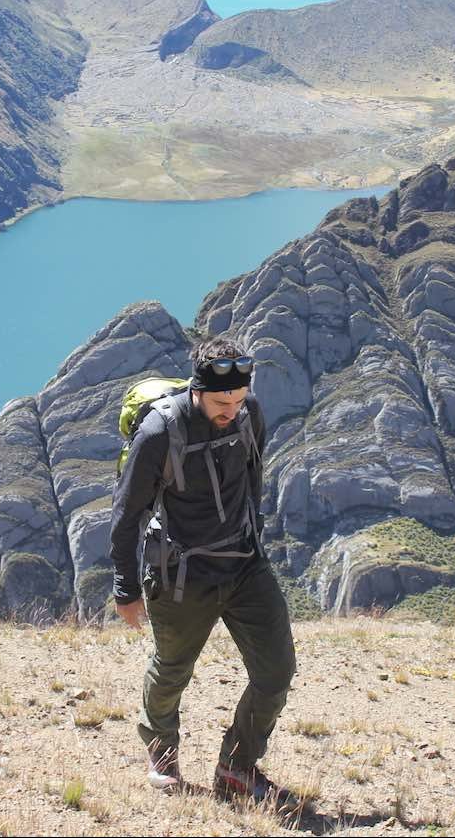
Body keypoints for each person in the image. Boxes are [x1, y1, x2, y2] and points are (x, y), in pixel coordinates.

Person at [110, 336, 297, 802]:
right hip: (182, 575)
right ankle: (162, 751)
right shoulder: (159, 433)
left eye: (237, 398)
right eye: (220, 401)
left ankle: (236, 766)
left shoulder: (249, 413)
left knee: (276, 672)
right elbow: (126, 513)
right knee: (173, 668)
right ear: (196, 389)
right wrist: (125, 589)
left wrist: (252, 535)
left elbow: (252, 476)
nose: (231, 409)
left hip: (244, 565)